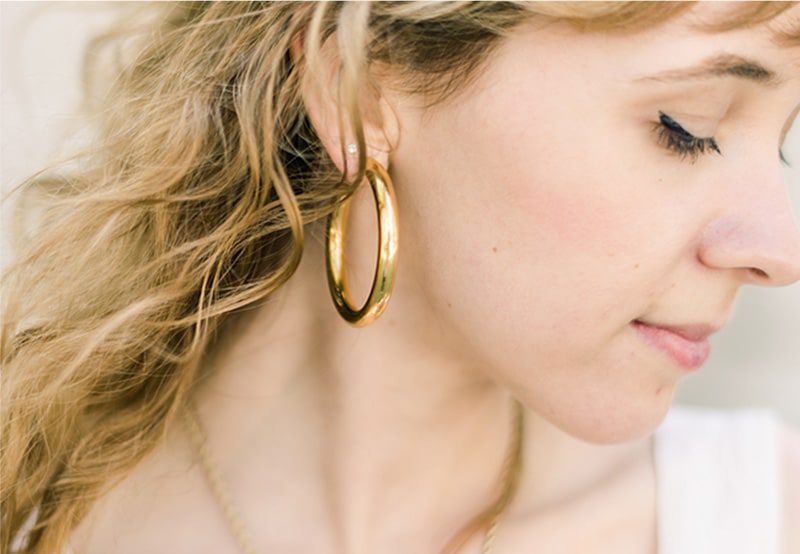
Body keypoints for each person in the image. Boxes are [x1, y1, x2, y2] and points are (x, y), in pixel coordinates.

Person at [2, 1, 800, 553]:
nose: (781, 249)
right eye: (686, 128)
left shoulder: (766, 521)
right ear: (356, 93)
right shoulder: (38, 518)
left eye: (785, 142)